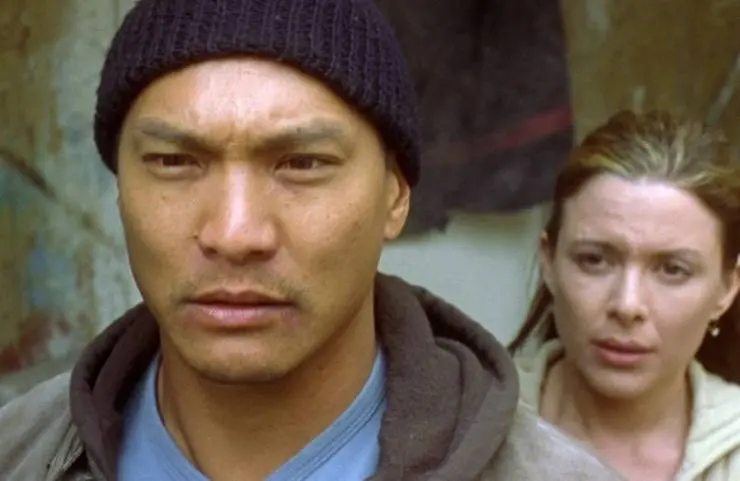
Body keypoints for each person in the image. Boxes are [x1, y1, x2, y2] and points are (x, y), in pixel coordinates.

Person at [0, 1, 623, 480]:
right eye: (174, 161)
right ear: (120, 189)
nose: (235, 233)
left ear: (396, 195)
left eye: (302, 163)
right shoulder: (19, 452)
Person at [509, 110, 740, 481]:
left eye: (672, 269)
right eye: (594, 260)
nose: (627, 304)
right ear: (549, 262)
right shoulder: (472, 427)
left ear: (726, 288)